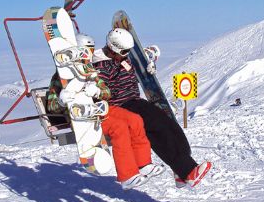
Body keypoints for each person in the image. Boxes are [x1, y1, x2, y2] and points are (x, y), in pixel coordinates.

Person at [92, 28, 212, 188]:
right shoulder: (100, 65)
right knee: (159, 127)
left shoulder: (121, 58)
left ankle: (182, 171)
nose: (127, 54)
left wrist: (148, 68)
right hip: (120, 107)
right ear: (114, 49)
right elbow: (103, 92)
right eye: (124, 51)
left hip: (135, 101)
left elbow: (134, 71)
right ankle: (186, 170)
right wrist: (118, 67)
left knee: (169, 124)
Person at [46, 33, 164, 190]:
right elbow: (52, 106)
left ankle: (144, 164)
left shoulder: (89, 71)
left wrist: (97, 92)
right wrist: (62, 100)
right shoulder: (61, 77)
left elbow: (106, 92)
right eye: (84, 52)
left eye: (89, 51)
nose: (87, 56)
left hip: (100, 109)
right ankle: (127, 175)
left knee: (135, 120)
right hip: (83, 118)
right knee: (119, 127)